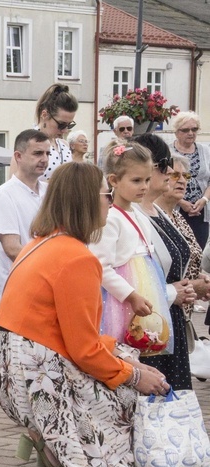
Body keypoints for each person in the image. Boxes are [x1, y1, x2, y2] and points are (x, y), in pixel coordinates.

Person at [0, 161, 168, 467]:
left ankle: (50, 437)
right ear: (86, 200)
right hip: (33, 374)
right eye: (107, 194)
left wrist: (124, 360)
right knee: (128, 396)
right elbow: (84, 350)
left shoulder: (40, 243)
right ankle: (63, 442)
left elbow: (74, 337)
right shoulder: (77, 257)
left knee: (125, 357)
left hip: (11, 370)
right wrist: (135, 375)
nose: (112, 202)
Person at [90, 141, 176, 386]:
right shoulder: (109, 219)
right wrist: (130, 295)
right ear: (114, 180)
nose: (145, 187)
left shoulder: (137, 213)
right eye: (137, 181)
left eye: (147, 180)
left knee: (143, 346)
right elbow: (100, 266)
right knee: (123, 346)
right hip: (121, 299)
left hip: (143, 289)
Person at [132, 134, 198, 391]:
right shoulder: (131, 215)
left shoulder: (158, 211)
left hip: (170, 322)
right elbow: (133, 278)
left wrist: (187, 287)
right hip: (150, 324)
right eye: (163, 165)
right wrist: (173, 292)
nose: (170, 171)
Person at [0, 129, 50, 296]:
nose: (44, 159)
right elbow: (12, 249)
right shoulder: (4, 195)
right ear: (18, 156)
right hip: (20, 290)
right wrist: (52, 267)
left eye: (47, 153)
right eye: (37, 153)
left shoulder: (50, 192)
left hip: (48, 285)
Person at [156, 155, 210, 317]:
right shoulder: (153, 218)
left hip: (183, 312)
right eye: (175, 175)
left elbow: (186, 263)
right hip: (162, 311)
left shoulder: (178, 217)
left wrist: (202, 280)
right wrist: (195, 285)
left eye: (185, 176)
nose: (182, 181)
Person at [14, 84, 77, 180]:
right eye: (61, 124)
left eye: (69, 125)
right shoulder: (26, 144)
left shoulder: (64, 145)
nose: (65, 130)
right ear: (44, 115)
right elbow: (15, 187)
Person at [169, 111, 210, 248]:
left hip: (200, 210)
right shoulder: (168, 151)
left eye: (194, 129)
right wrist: (180, 202)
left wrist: (204, 200)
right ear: (176, 132)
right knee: (178, 248)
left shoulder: (206, 151)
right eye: (185, 130)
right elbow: (161, 179)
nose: (190, 133)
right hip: (174, 208)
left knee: (198, 249)